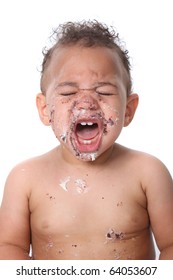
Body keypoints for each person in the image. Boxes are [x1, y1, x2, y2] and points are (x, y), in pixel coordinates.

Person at [0, 20, 173, 260]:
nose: (86, 103)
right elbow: (8, 248)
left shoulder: (148, 173)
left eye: (103, 92)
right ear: (44, 109)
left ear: (128, 110)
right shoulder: (25, 178)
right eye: (69, 93)